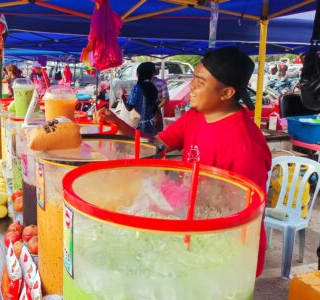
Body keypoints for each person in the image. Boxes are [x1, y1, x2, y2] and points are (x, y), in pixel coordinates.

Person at [96, 47, 271, 277]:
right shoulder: (195, 117)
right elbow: (155, 146)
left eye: (199, 82)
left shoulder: (245, 145)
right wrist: (117, 122)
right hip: (189, 227)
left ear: (226, 93)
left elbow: (245, 214)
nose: (191, 87)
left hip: (226, 249)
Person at [121, 61, 159, 136]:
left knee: (139, 146)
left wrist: (123, 97)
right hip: (150, 126)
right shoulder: (154, 89)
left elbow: (129, 107)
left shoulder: (137, 88)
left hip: (138, 127)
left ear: (139, 74)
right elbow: (155, 109)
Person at [152, 68, 170, 132]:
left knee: (156, 133)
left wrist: (156, 108)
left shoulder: (161, 82)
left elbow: (166, 99)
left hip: (155, 114)